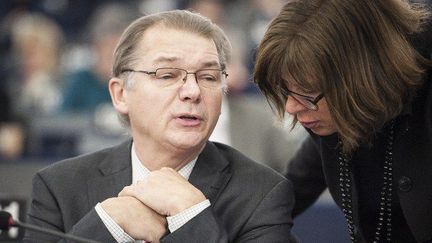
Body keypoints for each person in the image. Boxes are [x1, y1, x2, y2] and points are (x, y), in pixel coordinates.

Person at [24, 10, 296, 243]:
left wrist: (191, 215)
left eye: (209, 76)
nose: (193, 91)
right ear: (120, 95)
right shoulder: (60, 186)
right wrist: (110, 224)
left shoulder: (261, 194)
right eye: (167, 75)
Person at [253, 0, 432, 242]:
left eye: (306, 93)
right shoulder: (329, 116)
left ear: (361, 77)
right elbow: (292, 188)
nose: (291, 107)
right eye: (286, 91)